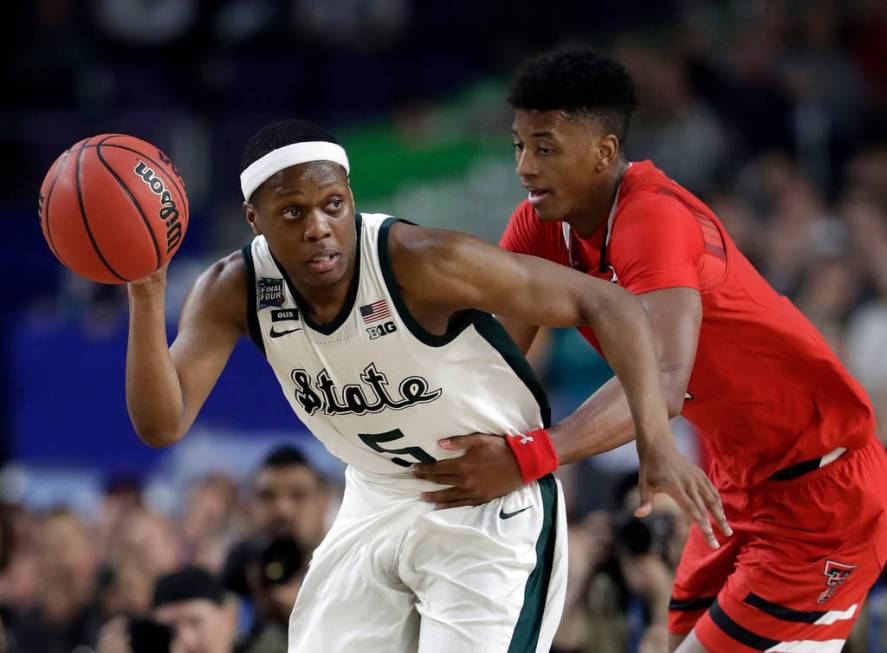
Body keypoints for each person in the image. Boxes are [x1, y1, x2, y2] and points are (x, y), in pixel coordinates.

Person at [124, 118, 721, 651]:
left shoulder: (421, 260)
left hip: (489, 493)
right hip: (376, 494)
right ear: (254, 220)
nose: (318, 228)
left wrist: (654, 441)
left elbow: (608, 303)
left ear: (351, 198)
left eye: (333, 204)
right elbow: (162, 422)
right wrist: (147, 293)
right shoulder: (234, 287)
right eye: (292, 213)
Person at [413, 48, 887, 653]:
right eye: (518, 146)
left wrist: (533, 455)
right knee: (668, 640)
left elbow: (661, 378)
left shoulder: (654, 219)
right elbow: (490, 362)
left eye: (546, 147)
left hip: (824, 493)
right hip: (731, 486)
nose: (526, 167)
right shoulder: (539, 226)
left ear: (605, 153)